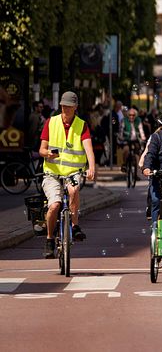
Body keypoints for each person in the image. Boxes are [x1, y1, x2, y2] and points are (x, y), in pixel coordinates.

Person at [39, 92, 96, 258]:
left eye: (69, 106)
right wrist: (47, 153)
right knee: (54, 205)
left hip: (73, 172)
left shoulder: (81, 125)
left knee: (73, 191)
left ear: (75, 107)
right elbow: (41, 149)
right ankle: (49, 239)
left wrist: (92, 167)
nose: (66, 109)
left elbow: (88, 149)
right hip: (52, 173)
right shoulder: (51, 122)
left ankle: (75, 225)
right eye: (63, 106)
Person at [119, 107, 146, 172]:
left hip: (136, 139)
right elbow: (121, 130)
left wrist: (143, 137)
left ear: (135, 115)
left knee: (138, 151)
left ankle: (137, 169)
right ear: (128, 115)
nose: (131, 117)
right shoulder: (124, 120)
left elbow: (141, 130)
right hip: (126, 139)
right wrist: (121, 137)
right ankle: (125, 164)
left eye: (133, 115)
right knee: (126, 150)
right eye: (130, 115)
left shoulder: (138, 120)